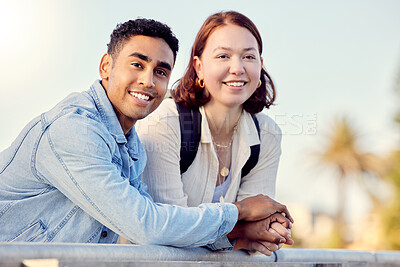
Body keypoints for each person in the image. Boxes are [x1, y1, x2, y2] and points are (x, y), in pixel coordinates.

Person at [0, 18, 293, 255]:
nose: (148, 81)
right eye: (137, 64)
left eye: (161, 71)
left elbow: (161, 223)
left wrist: (239, 234)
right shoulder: (74, 130)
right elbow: (147, 225)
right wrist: (239, 212)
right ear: (106, 67)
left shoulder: (131, 145)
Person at [135, 11, 291, 252]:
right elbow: (168, 230)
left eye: (249, 56)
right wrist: (240, 231)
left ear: (260, 64)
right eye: (223, 56)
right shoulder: (165, 122)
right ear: (199, 67)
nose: (237, 68)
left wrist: (273, 228)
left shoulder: (267, 135)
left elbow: (256, 231)